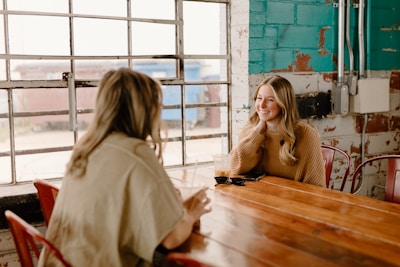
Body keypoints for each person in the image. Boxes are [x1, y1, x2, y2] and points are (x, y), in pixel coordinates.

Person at [38, 68, 211, 267]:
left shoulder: (88, 146)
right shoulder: (136, 151)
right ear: (146, 109)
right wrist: (191, 215)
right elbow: (171, 238)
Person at [230, 75, 326, 187]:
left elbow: (316, 187)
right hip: (258, 197)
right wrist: (257, 132)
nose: (262, 105)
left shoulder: (307, 134)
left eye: (270, 100)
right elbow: (235, 168)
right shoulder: (250, 129)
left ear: (283, 104)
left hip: (293, 201)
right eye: (259, 98)